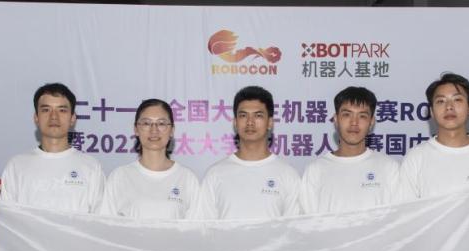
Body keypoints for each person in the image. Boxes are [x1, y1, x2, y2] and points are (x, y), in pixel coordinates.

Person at [399, 73, 469, 220]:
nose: (449, 107)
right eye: (440, 101)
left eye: (457, 100)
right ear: (431, 111)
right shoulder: (416, 157)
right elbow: (406, 213)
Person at [0, 83, 105, 213]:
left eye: (62, 110)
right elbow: (7, 219)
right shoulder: (16, 166)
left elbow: (99, 220)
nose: (54, 116)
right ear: (36, 118)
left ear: (73, 118)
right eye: (46, 110)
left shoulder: (91, 167)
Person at [198, 86, 300, 219]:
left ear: (270, 123)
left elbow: (293, 228)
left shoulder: (288, 175)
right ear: (235, 122)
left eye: (258, 115)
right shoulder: (215, 174)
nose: (250, 122)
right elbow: (206, 228)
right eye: (243, 115)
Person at [299, 86, 403, 213]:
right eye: (347, 115)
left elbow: (398, 220)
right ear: (336, 119)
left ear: (371, 122)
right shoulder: (315, 171)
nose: (354, 122)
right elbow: (307, 222)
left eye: (362, 116)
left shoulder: (389, 168)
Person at [100, 99, 204, 219]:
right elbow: (107, 226)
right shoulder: (120, 177)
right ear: (136, 129)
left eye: (161, 123)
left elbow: (196, 228)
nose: (154, 130)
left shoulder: (187, 179)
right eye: (146, 123)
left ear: (172, 130)